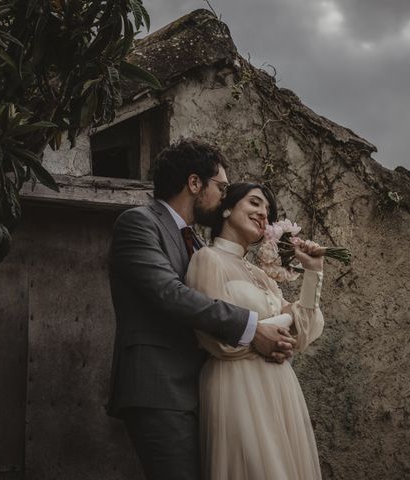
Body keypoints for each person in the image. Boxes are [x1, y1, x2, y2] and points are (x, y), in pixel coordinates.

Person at [106, 139, 296, 480]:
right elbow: (169, 293)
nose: (225, 196)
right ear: (195, 184)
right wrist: (253, 328)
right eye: (221, 187)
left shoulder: (196, 242)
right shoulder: (138, 222)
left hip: (203, 389)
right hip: (159, 387)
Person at [185, 182, 325, 480]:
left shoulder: (264, 277)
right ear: (227, 208)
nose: (264, 213)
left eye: (268, 210)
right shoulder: (207, 259)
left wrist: (313, 273)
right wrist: (265, 335)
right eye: (254, 203)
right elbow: (212, 335)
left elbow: (302, 333)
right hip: (237, 385)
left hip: (280, 389)